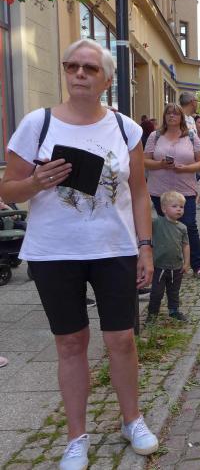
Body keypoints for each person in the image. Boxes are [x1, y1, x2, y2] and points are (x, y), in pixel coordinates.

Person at [0, 38, 158, 469]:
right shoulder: (38, 124)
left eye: (90, 68)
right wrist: (36, 182)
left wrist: (145, 247)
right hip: (55, 252)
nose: (79, 74)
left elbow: (138, 192)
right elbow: (7, 190)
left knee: (121, 339)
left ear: (107, 80)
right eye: (72, 67)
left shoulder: (125, 128)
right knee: (70, 342)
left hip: (114, 249)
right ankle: (76, 437)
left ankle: (132, 419)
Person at [143, 103, 200, 280]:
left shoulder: (191, 137)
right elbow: (145, 161)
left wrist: (186, 168)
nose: (171, 116)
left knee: (189, 226)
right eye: (168, 113)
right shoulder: (155, 136)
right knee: (162, 228)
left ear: (181, 117)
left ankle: (198, 265)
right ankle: (163, 265)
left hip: (184, 190)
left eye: (175, 114)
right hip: (159, 190)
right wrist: (160, 164)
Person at [147, 191, 189, 324]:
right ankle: (152, 314)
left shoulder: (182, 228)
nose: (179, 209)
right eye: (174, 206)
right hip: (159, 266)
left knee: (174, 292)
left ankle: (174, 311)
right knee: (156, 293)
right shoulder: (157, 222)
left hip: (176, 267)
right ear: (164, 209)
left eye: (181, 207)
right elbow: (147, 214)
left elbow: (186, 245)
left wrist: (186, 263)